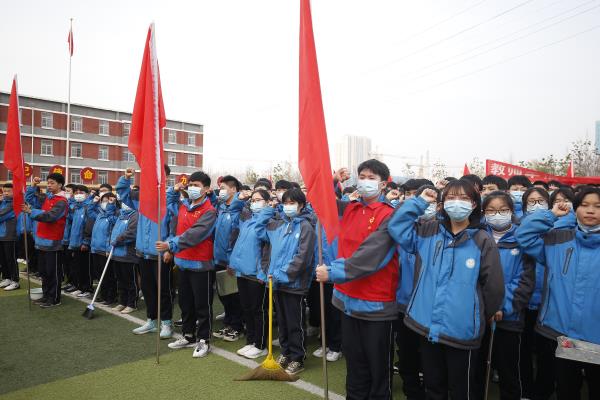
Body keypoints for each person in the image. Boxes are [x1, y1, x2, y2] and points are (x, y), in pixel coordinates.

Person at [387, 179, 505, 400]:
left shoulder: (482, 240)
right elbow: (396, 227)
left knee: (462, 390)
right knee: (433, 386)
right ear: (442, 203)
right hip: (426, 325)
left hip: (462, 331)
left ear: (474, 204)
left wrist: (475, 315)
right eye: (451, 197)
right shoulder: (428, 231)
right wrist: (418, 203)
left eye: (463, 198)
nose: (456, 203)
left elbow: (494, 288)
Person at [316, 159, 400, 400]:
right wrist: (332, 181)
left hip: (376, 304)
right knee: (354, 365)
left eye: (371, 177)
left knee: (378, 370)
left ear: (383, 184)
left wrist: (333, 272)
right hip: (347, 300)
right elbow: (322, 203)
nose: (365, 181)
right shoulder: (351, 209)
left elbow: (371, 257)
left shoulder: (389, 215)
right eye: (361, 176)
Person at [516, 186, 600, 400]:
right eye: (584, 205)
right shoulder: (557, 240)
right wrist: (551, 214)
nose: (591, 211)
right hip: (562, 334)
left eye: (598, 206)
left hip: (597, 337)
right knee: (567, 390)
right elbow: (524, 235)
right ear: (575, 209)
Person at [480, 191, 535, 400]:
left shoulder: (522, 239)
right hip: (479, 316)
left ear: (512, 211)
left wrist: (501, 307)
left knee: (509, 373)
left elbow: (524, 281)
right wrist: (485, 307)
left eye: (503, 210)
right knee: (478, 370)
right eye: (491, 211)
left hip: (508, 317)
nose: (497, 215)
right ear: (484, 213)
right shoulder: (477, 236)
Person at [256, 188, 316, 375]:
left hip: (293, 284)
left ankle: (298, 357)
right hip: (276, 282)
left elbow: (303, 257)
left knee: (294, 322)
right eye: (285, 203)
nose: (288, 207)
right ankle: (286, 352)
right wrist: (268, 208)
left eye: (292, 203)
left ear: (301, 205)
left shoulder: (306, 226)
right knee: (281, 321)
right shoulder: (278, 223)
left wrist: (282, 274)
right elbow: (260, 231)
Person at [157, 171, 217, 358]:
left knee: (202, 305)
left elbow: (195, 234)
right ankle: (188, 335)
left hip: (200, 265)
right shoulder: (184, 206)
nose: (192, 188)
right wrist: (174, 190)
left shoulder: (209, 211)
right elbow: (169, 206)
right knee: (185, 303)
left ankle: (204, 339)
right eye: (190, 184)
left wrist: (170, 245)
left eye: (197, 185)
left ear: (206, 189)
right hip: (182, 263)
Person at [117, 166, 174, 339]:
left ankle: (166, 323)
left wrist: (169, 247)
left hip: (160, 254)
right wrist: (126, 179)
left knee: (163, 291)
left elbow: (174, 228)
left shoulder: (169, 201)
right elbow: (124, 194)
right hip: (143, 253)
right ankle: (151, 320)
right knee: (148, 290)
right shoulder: (142, 200)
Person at [518, 187, 554, 400]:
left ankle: (543, 391)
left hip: (548, 303)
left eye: (541, 201)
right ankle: (525, 391)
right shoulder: (518, 228)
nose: (537, 205)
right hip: (524, 301)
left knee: (545, 352)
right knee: (522, 351)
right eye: (531, 202)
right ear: (524, 207)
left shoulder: (558, 230)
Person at [229, 189, 270, 359]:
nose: (254, 203)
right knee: (247, 309)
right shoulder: (247, 221)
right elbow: (233, 212)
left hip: (256, 275)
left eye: (258, 200)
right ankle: (251, 340)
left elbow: (268, 251)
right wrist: (240, 199)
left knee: (258, 310)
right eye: (252, 200)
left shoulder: (270, 223)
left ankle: (261, 344)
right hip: (243, 272)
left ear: (267, 203)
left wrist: (262, 273)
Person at [23, 174, 69, 307]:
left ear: (60, 185)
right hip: (41, 241)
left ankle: (54, 298)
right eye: (48, 183)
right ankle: (46, 295)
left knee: (52, 272)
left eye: (52, 183)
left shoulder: (62, 201)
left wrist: (31, 212)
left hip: (53, 242)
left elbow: (50, 217)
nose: (49, 185)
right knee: (43, 272)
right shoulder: (47, 198)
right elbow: (28, 199)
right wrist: (33, 186)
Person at [212, 175, 245, 342]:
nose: (221, 191)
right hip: (219, 259)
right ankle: (229, 323)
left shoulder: (239, 211)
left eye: (224, 187)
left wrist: (232, 260)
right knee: (224, 294)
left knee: (234, 296)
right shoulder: (221, 208)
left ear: (233, 189)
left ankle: (237, 326)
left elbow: (236, 237)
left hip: (231, 261)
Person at [109, 195, 139, 314]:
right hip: (117, 253)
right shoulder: (121, 215)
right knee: (120, 280)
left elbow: (132, 233)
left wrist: (119, 239)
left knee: (130, 280)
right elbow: (114, 231)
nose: (124, 203)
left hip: (128, 254)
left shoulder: (135, 215)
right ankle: (122, 301)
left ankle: (132, 303)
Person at [88, 192, 119, 305]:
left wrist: (108, 248)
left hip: (105, 251)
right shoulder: (100, 214)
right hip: (96, 248)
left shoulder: (114, 215)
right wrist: (93, 201)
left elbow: (112, 232)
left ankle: (111, 297)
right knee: (100, 274)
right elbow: (90, 212)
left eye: (108, 200)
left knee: (108, 275)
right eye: (103, 201)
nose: (105, 203)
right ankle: (103, 295)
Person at [0, 184, 19, 291]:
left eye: (8, 191)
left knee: (11, 259)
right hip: (1, 235)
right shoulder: (3, 202)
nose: (6, 193)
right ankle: (7, 278)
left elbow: (1, 215)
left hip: (10, 235)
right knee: (3, 259)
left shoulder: (13, 204)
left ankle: (15, 281)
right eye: (4, 191)